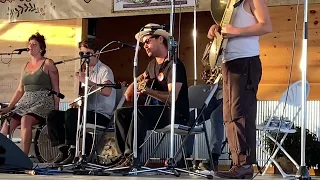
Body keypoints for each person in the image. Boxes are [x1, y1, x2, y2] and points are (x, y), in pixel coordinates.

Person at [207, 0, 272, 178]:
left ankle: (244, 165)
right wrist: (216, 29)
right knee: (229, 116)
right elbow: (229, 28)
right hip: (229, 63)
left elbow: (266, 26)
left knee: (240, 114)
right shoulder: (229, 4)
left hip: (246, 61)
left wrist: (236, 32)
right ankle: (239, 164)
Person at [112, 23, 189, 167]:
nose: (145, 46)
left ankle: (133, 157)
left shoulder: (174, 65)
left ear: (160, 39)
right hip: (157, 112)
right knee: (120, 113)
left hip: (176, 113)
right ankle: (124, 155)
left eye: (147, 41)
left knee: (140, 112)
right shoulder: (152, 65)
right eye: (143, 43)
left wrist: (148, 91)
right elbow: (129, 94)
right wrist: (135, 83)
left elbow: (172, 98)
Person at [46, 39, 116, 165]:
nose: (85, 57)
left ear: (97, 53)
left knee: (72, 114)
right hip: (85, 113)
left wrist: (86, 80)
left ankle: (74, 152)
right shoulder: (85, 71)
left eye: (88, 53)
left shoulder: (105, 70)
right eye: (82, 54)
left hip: (100, 115)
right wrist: (78, 101)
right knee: (53, 115)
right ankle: (64, 150)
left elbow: (107, 91)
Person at [0, 32, 60, 155]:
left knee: (25, 119)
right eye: (29, 44)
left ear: (41, 48)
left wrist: (56, 111)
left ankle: (24, 157)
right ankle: (4, 156)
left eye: (34, 44)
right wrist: (10, 107)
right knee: (8, 122)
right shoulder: (26, 65)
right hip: (26, 102)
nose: (30, 47)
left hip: (43, 101)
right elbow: (20, 89)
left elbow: (56, 89)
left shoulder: (48, 63)